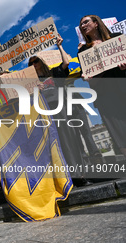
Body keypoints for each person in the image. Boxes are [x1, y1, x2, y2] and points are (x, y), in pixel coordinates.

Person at [28, 35, 87, 185]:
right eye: (31, 63)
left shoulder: (53, 74)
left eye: (35, 61)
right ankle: (64, 177)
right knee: (55, 145)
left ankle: (79, 175)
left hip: (61, 111)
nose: (33, 64)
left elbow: (66, 63)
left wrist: (60, 46)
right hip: (46, 116)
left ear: (41, 62)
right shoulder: (31, 83)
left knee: (71, 140)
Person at [78, 15, 126, 157]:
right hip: (105, 96)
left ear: (96, 23)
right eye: (81, 25)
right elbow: (92, 82)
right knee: (120, 133)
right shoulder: (83, 52)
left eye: (86, 22)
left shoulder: (117, 38)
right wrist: (88, 78)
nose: (83, 26)